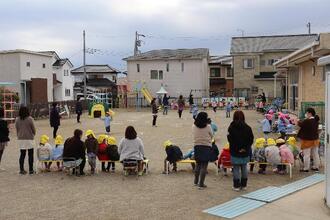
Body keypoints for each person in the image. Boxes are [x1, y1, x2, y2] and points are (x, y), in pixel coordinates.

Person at [227, 110, 254, 191]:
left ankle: (236, 186)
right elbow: (251, 140)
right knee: (244, 167)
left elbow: (230, 139)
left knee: (236, 168)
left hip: (235, 151)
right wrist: (244, 148)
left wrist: (238, 148)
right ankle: (244, 185)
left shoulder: (231, 127)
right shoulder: (248, 128)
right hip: (245, 151)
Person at [192, 112, 213, 189]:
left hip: (197, 146)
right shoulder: (208, 126)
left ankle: (195, 181)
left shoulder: (194, 126)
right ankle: (201, 183)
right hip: (206, 146)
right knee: (204, 166)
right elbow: (212, 135)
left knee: (198, 164)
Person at [297, 107, 320, 172]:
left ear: (310, 113)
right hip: (315, 140)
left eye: (307, 113)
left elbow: (301, 124)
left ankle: (306, 168)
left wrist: (297, 120)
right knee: (315, 154)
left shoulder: (307, 121)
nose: (306, 114)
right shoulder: (316, 120)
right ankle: (316, 167)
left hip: (307, 140)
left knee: (306, 155)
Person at [15, 106, 36, 175]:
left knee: (22, 154)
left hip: (21, 138)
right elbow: (33, 129)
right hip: (29, 138)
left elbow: (17, 129)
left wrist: (19, 135)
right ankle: (31, 170)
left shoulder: (17, 119)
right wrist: (33, 133)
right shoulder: (30, 119)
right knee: (30, 154)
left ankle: (21, 170)